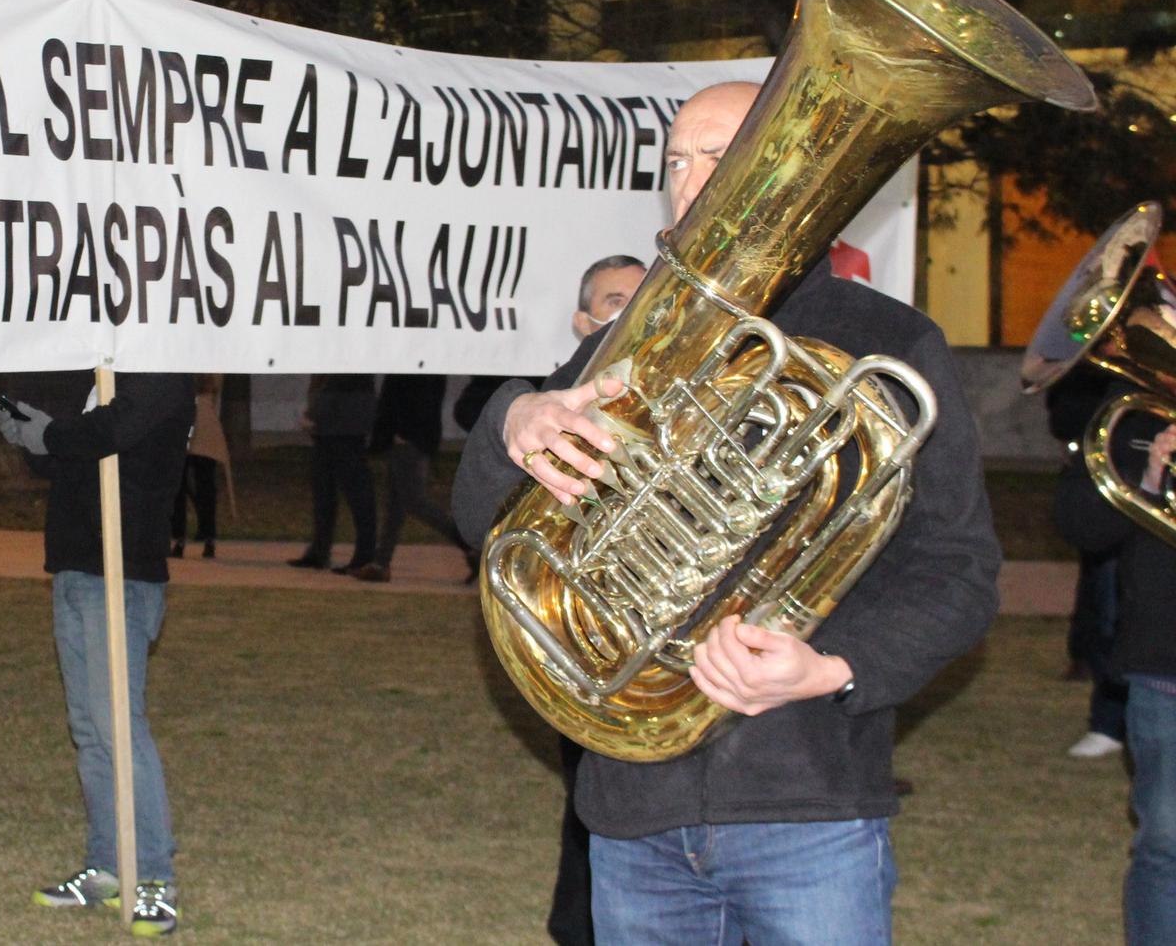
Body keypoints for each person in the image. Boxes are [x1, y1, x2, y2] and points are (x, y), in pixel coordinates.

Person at [454, 81, 999, 944]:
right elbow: (490, 520)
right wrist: (513, 420)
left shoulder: (888, 342)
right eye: (676, 159)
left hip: (805, 797)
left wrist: (835, 667)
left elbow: (958, 569)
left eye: (719, 155)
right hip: (634, 807)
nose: (690, 178)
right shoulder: (628, 339)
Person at [454, 251, 646, 946]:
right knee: (593, 798)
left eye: (639, 298)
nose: (627, 312)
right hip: (594, 642)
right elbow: (487, 517)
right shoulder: (559, 394)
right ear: (582, 320)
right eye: (612, 301)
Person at [0, 372, 195, 937]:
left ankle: (154, 875)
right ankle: (109, 865)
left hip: (123, 572)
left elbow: (112, 430)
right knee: (90, 728)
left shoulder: (162, 375)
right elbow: (82, 457)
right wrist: (33, 441)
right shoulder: (108, 372)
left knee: (117, 727)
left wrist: (52, 435)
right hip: (79, 564)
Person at [1056, 409, 1176, 942]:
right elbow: (1083, 527)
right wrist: (1150, 477)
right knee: (1167, 844)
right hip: (1166, 665)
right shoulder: (1131, 416)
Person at [1049, 362, 1131, 758]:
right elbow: (1064, 413)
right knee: (1108, 611)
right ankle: (1109, 720)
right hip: (1120, 496)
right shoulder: (1108, 382)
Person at [356, 373, 471, 583]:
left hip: (408, 440)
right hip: (411, 438)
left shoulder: (414, 365)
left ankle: (468, 544)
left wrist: (400, 432)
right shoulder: (425, 363)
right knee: (395, 505)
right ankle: (381, 563)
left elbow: (406, 398)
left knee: (414, 501)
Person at [288, 373, 379, 574]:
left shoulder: (348, 363)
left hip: (344, 431)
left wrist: (313, 415)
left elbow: (335, 387)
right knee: (326, 494)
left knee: (357, 497)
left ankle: (363, 555)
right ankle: (320, 551)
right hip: (335, 431)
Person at [171, 374, 233, 560]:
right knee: (200, 487)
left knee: (188, 488)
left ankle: (186, 539)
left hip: (192, 425)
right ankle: (205, 538)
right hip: (202, 426)